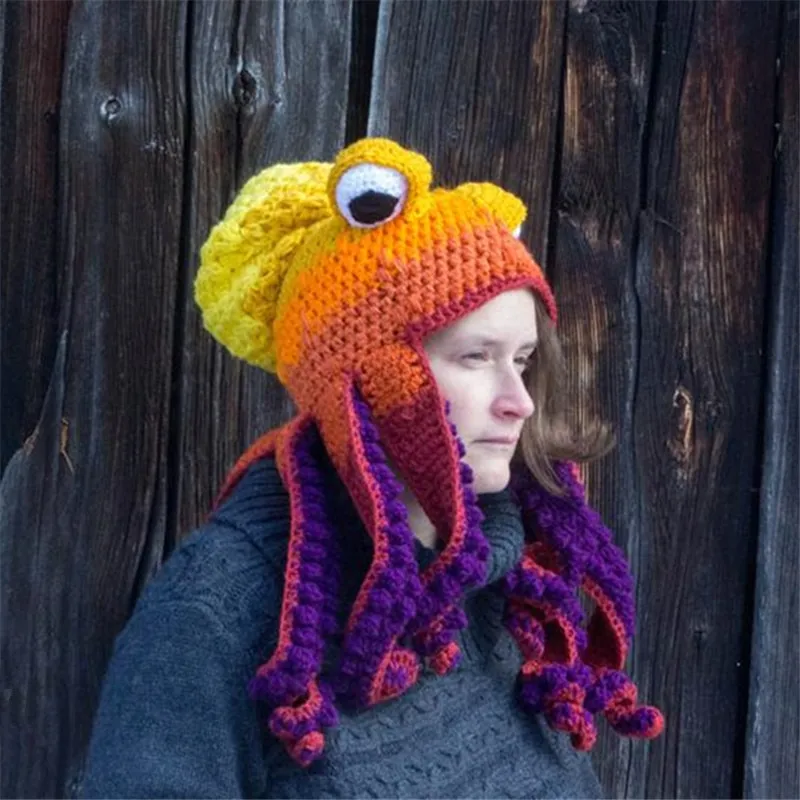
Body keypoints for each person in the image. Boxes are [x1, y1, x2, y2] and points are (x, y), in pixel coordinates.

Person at [80, 138, 663, 799]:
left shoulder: (509, 582)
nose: (519, 401)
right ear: (363, 380)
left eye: (522, 360)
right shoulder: (218, 611)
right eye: (476, 357)